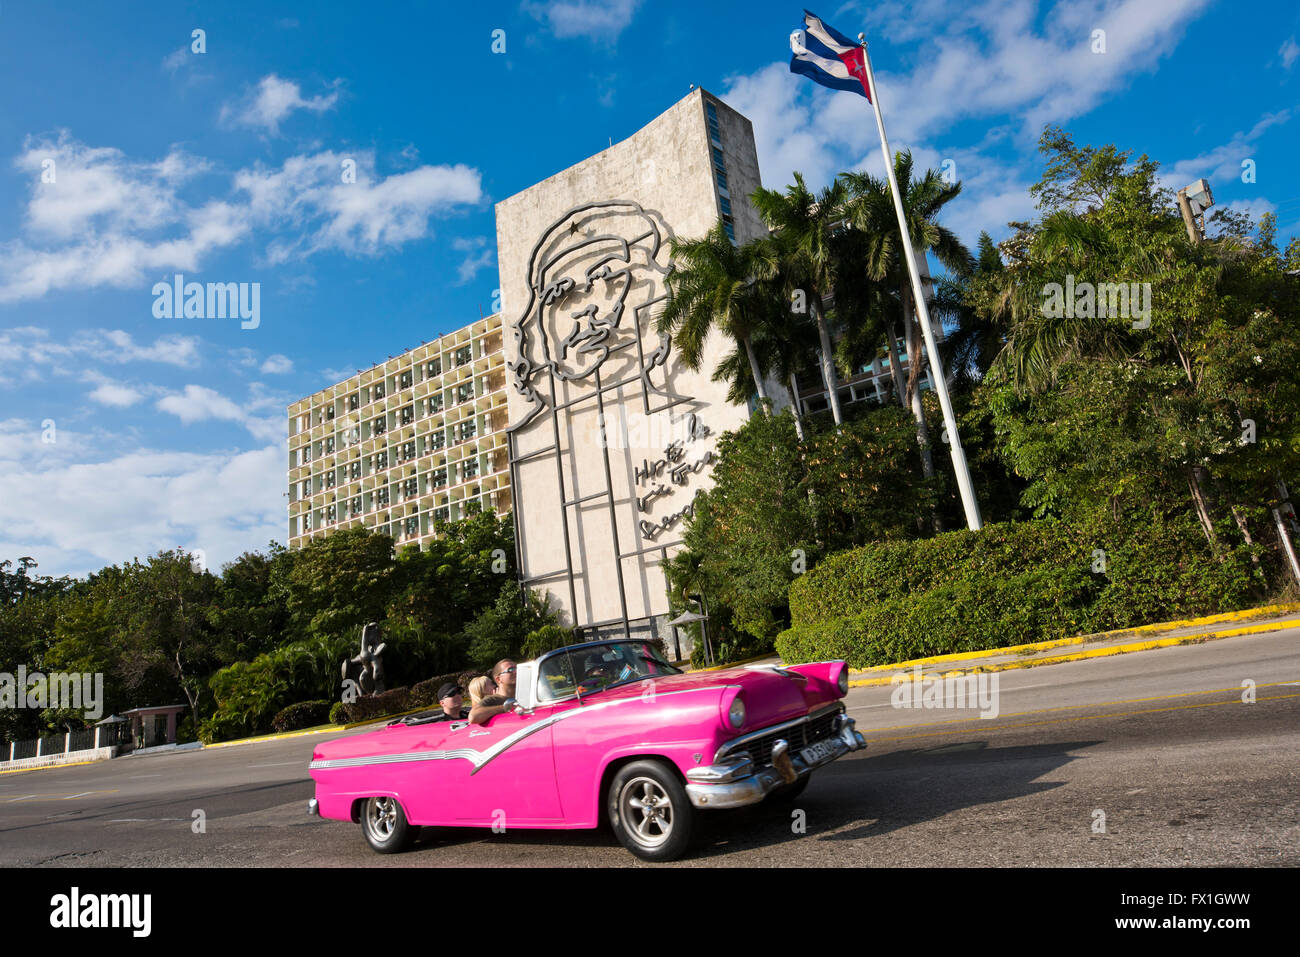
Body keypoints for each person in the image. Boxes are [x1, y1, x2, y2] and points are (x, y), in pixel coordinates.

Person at [468, 659, 522, 725]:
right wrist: (506, 707)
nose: (516, 672)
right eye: (510, 670)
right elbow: (473, 717)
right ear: (499, 679)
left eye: (517, 668)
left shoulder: (524, 695)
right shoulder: (493, 699)